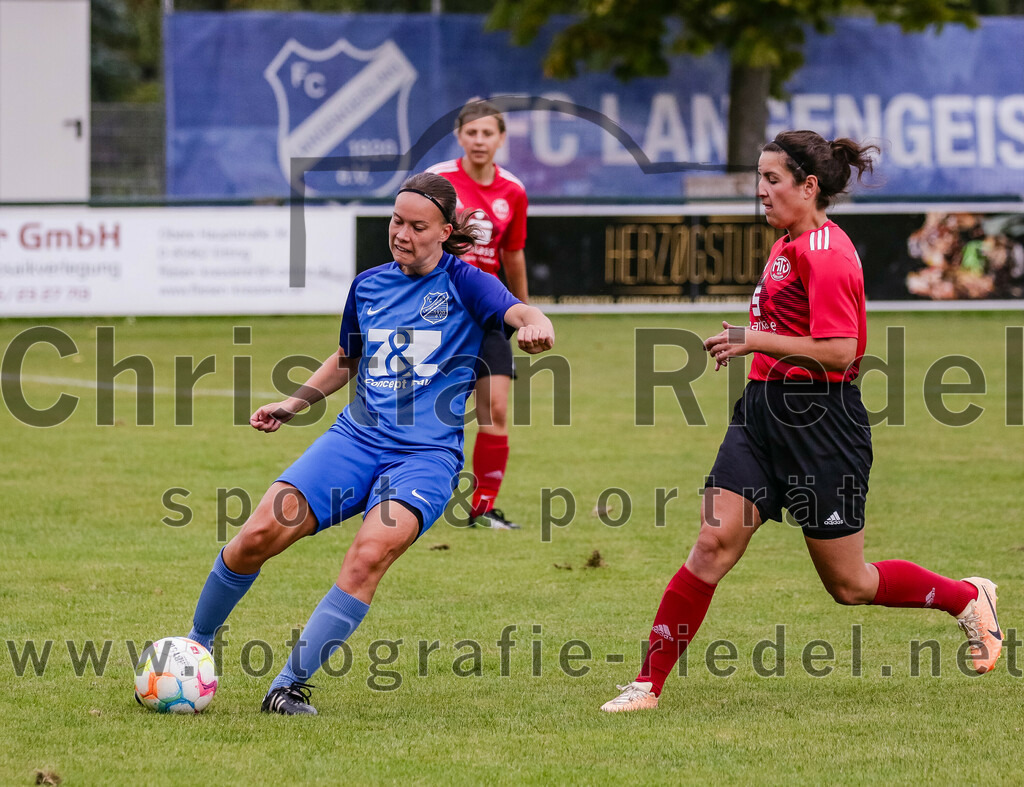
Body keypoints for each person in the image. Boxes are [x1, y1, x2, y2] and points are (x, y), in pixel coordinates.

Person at [600, 130, 1002, 713]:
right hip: (762, 413)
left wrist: (751, 339)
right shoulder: (788, 241)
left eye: (771, 180)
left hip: (822, 425)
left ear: (808, 185)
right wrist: (757, 354)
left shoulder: (827, 253)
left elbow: (842, 351)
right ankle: (646, 686)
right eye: (758, 179)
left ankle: (967, 598)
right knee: (713, 543)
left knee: (850, 585)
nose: (760, 192)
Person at [181, 173, 555, 716]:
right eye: (396, 221)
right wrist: (293, 403)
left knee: (369, 554)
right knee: (256, 535)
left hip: (424, 459)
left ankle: (289, 686)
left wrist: (537, 323)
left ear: (445, 231)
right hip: (354, 440)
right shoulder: (369, 286)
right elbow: (347, 359)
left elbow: (518, 310)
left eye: (416, 225)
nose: (401, 233)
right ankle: (197, 643)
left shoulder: (467, 283)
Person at [427, 100, 530, 530]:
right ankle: (413, 496)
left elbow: (513, 254)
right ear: (460, 136)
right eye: (472, 133)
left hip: (488, 312)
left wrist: (526, 315)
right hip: (439, 311)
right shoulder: (437, 180)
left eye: (488, 133)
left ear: (501, 138)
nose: (480, 141)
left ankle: (483, 510)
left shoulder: (513, 191)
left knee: (496, 410)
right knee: (430, 409)